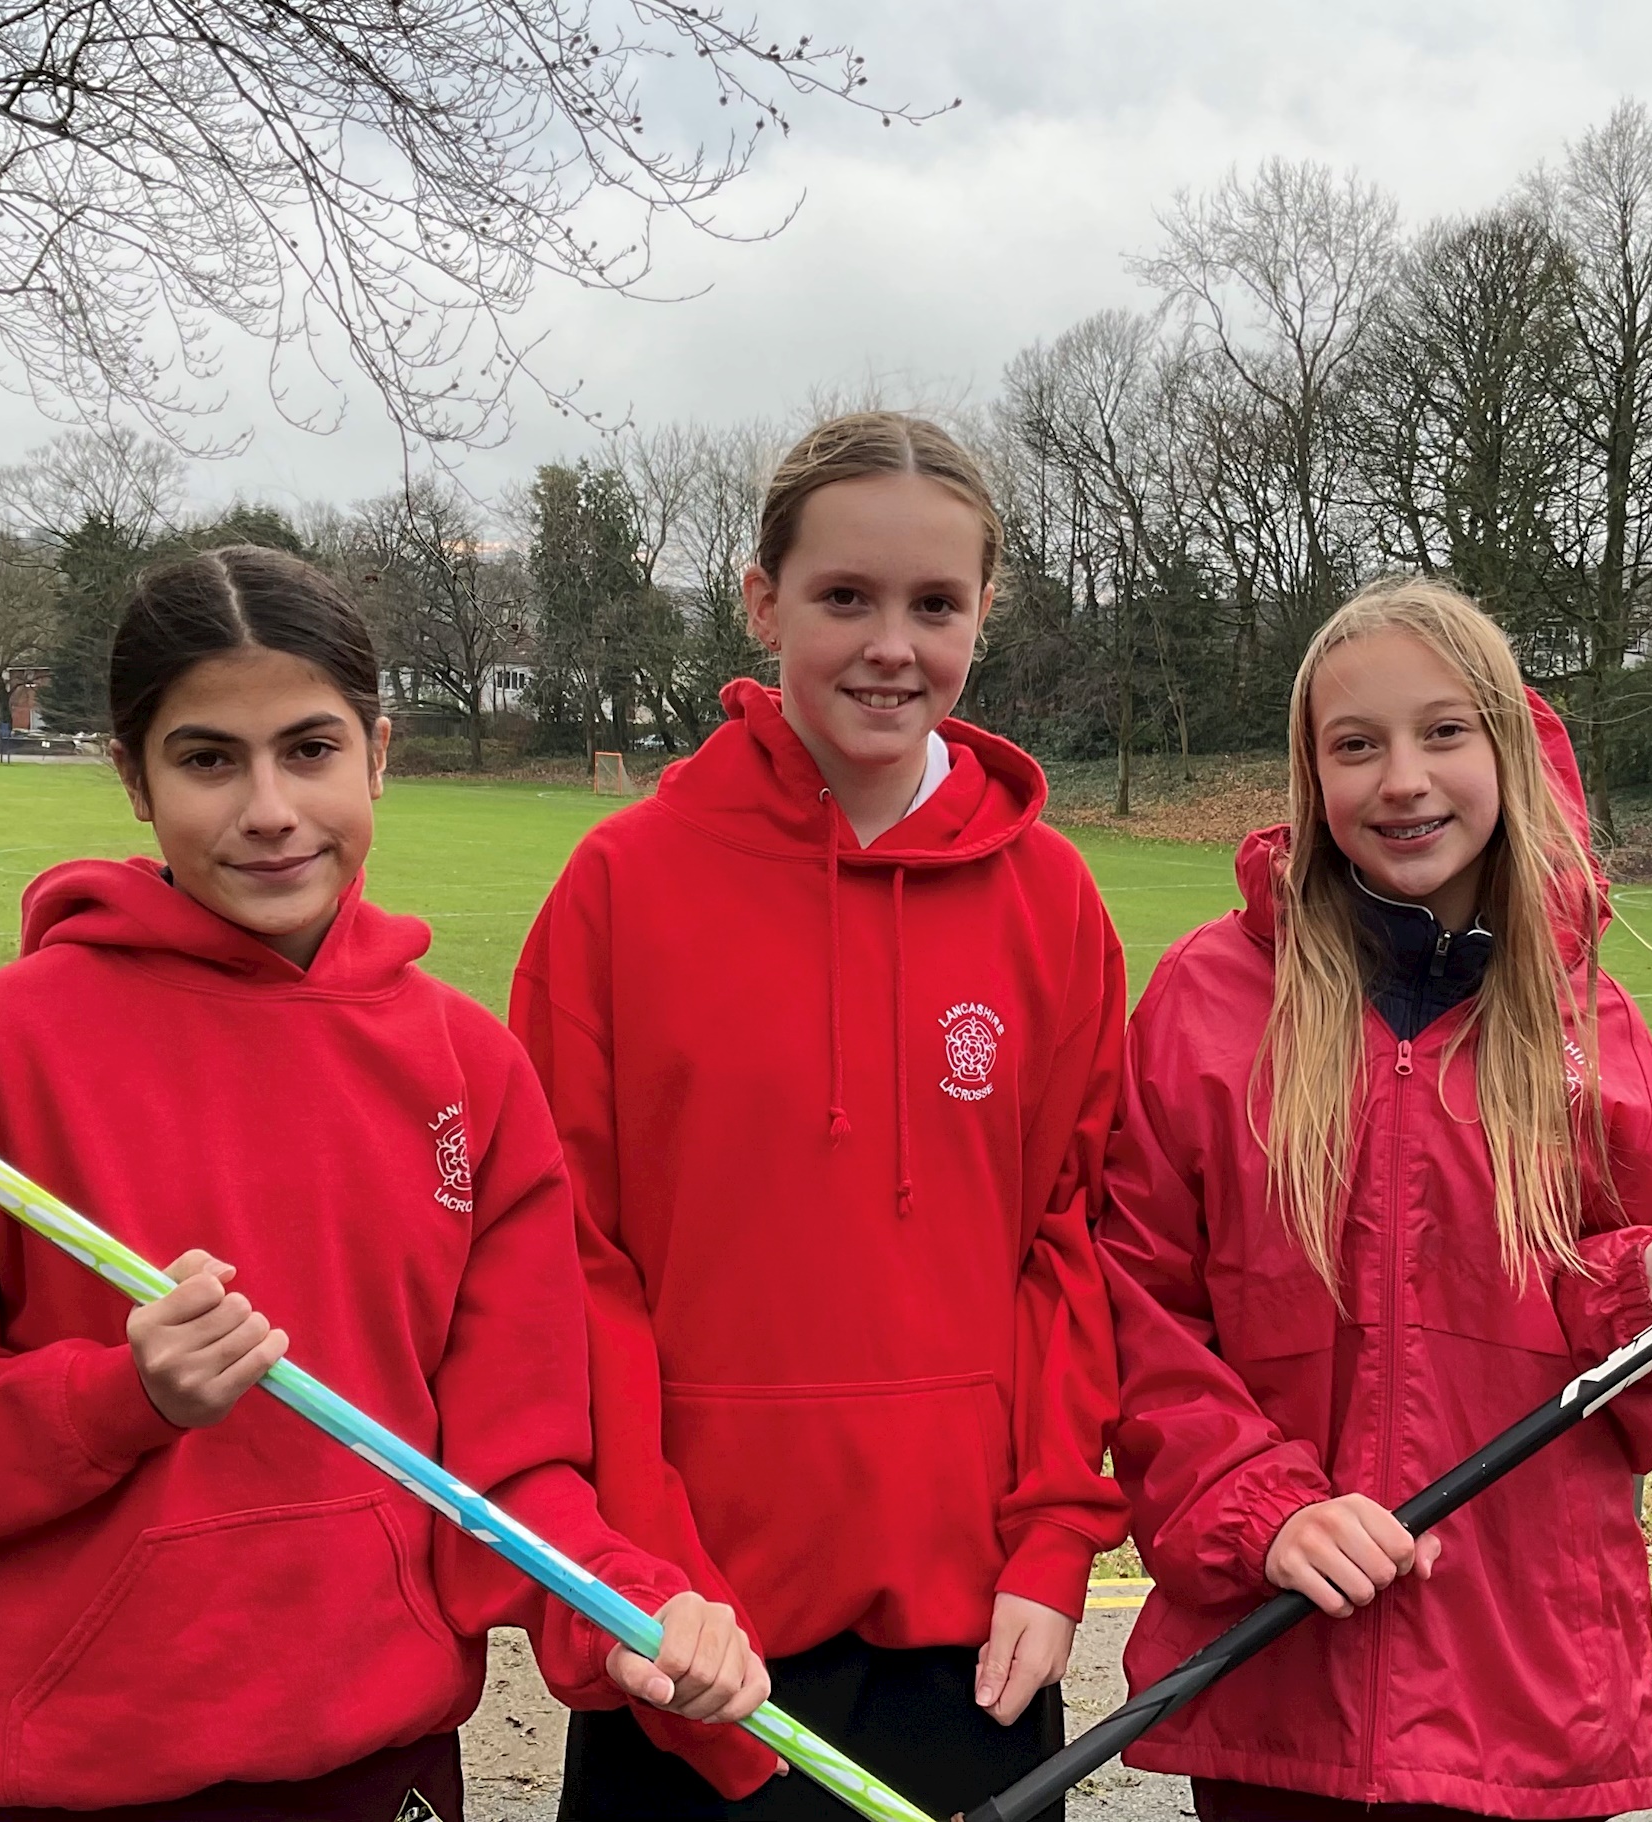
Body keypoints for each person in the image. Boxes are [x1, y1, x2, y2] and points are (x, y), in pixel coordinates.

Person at [0, 545, 762, 1821]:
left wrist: (622, 1610)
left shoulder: (471, 1070)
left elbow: (510, 1470)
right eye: (208, 759)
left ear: (377, 754)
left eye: (309, 749)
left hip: (382, 1769)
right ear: (132, 777)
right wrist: (120, 1397)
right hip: (74, 1783)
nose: (271, 808)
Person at [1099, 577, 1652, 1821]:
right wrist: (1260, 1509)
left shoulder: (1589, 1021)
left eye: (1444, 732)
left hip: (1520, 1692)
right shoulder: (1208, 1003)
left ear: (1506, 744)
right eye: (1355, 744)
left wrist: (1634, 1302)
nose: (1403, 779)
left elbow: (1635, 1390)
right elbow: (1135, 1308)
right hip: (1283, 1676)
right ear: (1309, 773)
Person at [510, 412, 1130, 1820]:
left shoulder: (1054, 906)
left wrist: (1049, 1546)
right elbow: (570, 1268)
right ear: (761, 599)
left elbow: (1067, 1248)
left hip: (968, 1629)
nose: (890, 644)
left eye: (935, 604)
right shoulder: (621, 888)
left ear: (984, 613)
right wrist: (645, 1577)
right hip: (697, 1630)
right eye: (845, 596)